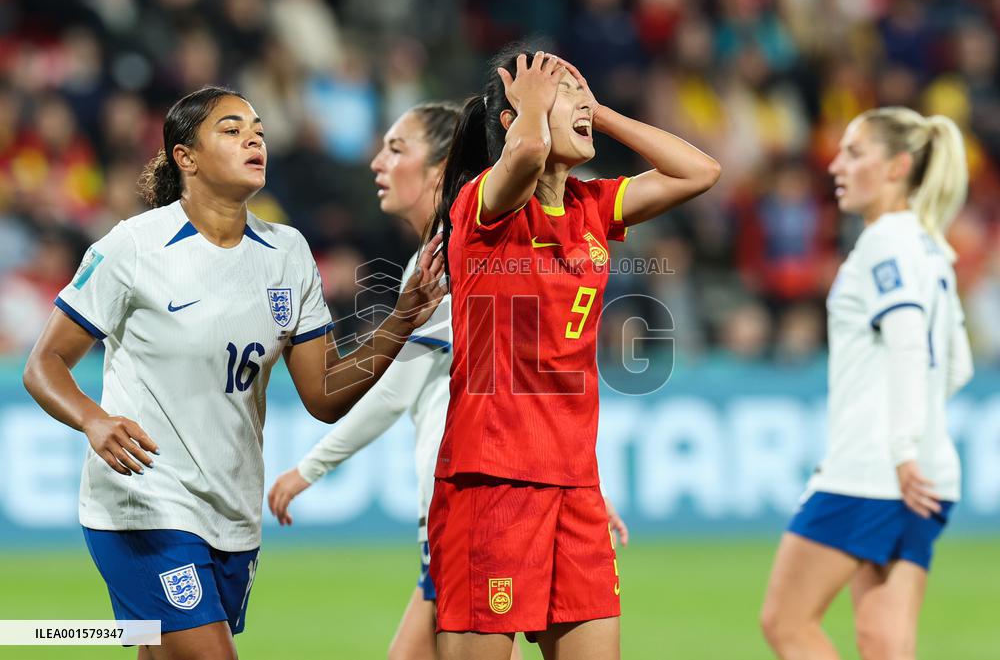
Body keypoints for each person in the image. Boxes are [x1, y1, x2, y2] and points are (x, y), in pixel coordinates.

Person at [21, 86, 445, 660]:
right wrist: (94, 421)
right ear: (185, 156)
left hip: (230, 509)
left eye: (260, 130)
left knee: (160, 652)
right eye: (231, 128)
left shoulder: (286, 251)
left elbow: (323, 395)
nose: (254, 138)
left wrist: (403, 317)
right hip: (143, 500)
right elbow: (43, 363)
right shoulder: (135, 247)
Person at [266, 102, 631, 660]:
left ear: (438, 170)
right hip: (493, 488)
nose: (376, 163)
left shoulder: (459, 253)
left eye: (396, 148)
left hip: (482, 495)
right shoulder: (450, 252)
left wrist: (310, 467)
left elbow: (394, 386)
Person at [427, 48, 720, 660]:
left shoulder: (590, 207)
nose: (579, 104)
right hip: (495, 477)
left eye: (579, 93)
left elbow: (698, 172)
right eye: (563, 95)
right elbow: (529, 154)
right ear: (514, 120)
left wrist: (601, 113)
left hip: (576, 482)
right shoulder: (485, 207)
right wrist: (531, 107)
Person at [760, 107, 974, 660]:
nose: (836, 165)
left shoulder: (884, 244)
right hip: (929, 473)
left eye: (854, 153)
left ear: (898, 166)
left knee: (787, 622)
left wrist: (894, 447)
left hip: (877, 471)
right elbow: (956, 366)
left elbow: (906, 341)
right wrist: (915, 439)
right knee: (885, 643)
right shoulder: (932, 248)